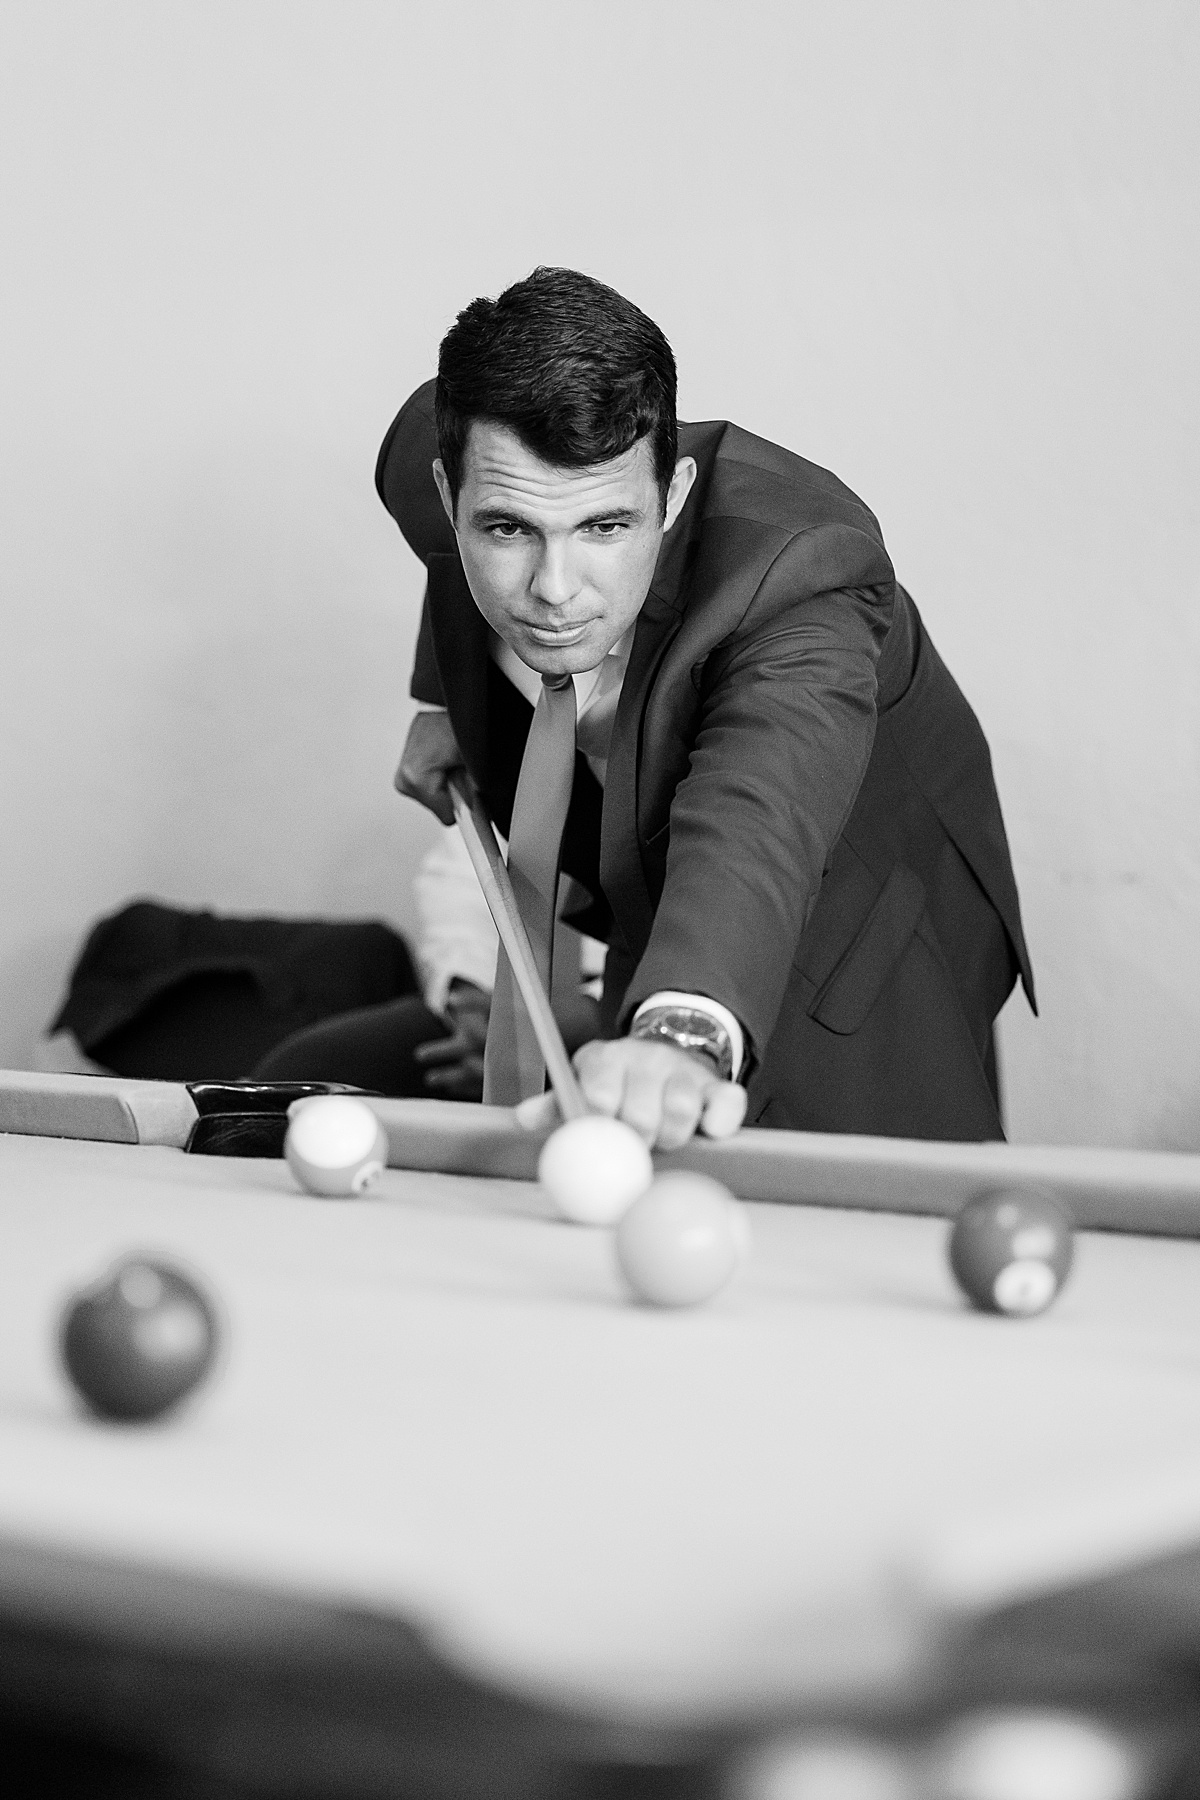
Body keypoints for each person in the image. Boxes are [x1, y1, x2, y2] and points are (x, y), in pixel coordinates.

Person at [373, 266, 1033, 1151]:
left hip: (859, 908)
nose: (554, 590)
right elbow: (450, 560)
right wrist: (449, 699)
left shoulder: (801, 577)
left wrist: (684, 1027)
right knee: (635, 1128)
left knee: (849, 1198)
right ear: (452, 497)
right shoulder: (450, 455)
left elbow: (760, 810)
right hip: (658, 886)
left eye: (605, 528)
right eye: (508, 531)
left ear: (673, 497)